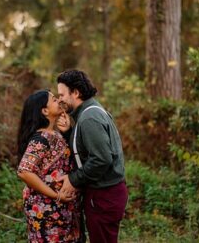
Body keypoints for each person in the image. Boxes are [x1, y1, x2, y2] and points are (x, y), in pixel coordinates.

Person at [54, 69, 128, 243]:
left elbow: (101, 159)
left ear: (76, 92)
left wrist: (73, 179)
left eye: (62, 94)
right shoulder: (88, 113)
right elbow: (87, 151)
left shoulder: (89, 118)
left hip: (104, 196)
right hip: (103, 195)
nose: (60, 100)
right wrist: (68, 133)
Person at [16, 89, 83, 242]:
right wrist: (55, 195)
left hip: (62, 209)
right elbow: (24, 171)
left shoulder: (55, 134)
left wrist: (67, 132)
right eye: (53, 100)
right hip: (46, 209)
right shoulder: (40, 139)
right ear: (45, 111)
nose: (58, 101)